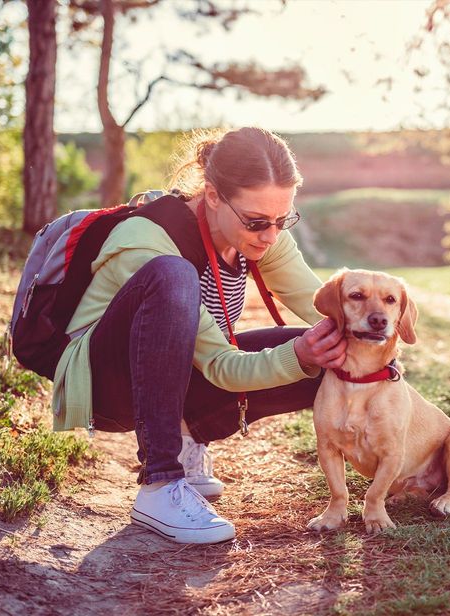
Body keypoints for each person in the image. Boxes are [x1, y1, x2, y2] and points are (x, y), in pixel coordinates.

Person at [51, 127, 347, 544]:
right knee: (175, 276)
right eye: (257, 221)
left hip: (183, 372)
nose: (270, 235)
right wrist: (297, 355)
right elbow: (223, 367)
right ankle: (159, 483)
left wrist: (370, 345)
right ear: (212, 196)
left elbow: (328, 309)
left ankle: (189, 437)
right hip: (108, 387)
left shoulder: (261, 235)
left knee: (339, 347)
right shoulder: (147, 242)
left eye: (283, 220)